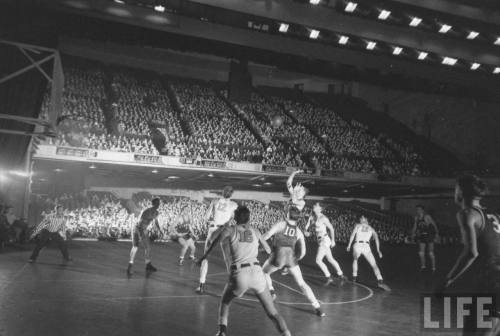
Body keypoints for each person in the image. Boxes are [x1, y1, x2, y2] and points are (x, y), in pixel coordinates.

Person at [197, 205, 291, 336]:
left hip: (240, 274)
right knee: (273, 312)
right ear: (248, 218)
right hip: (257, 272)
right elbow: (268, 250)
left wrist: (203, 257)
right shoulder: (256, 231)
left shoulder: (229, 230)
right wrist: (255, 250)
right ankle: (286, 334)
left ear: (235, 218)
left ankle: (222, 332)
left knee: (225, 302)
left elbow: (212, 243)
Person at [438, 175, 500, 335]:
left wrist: (447, 280)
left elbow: (471, 253)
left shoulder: (467, 214)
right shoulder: (493, 215)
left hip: (491, 282)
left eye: (455, 188)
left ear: (461, 192)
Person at [262, 206, 326, 317]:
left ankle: (272, 291)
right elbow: (303, 253)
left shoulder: (280, 224)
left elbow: (266, 236)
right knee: (302, 283)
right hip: (291, 258)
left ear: (287, 215)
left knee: (264, 272)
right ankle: (318, 307)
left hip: (277, 256)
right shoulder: (298, 231)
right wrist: (292, 262)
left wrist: (258, 240)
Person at [196, 186, 238, 294]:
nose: (227, 192)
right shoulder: (232, 204)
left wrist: (210, 221)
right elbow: (234, 218)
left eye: (228, 191)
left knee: (215, 256)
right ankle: (202, 283)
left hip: (219, 230)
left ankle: (202, 284)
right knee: (222, 258)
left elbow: (206, 216)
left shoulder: (219, 202)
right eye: (227, 190)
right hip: (221, 230)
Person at [304, 202, 346, 285]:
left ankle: (328, 277)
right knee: (330, 259)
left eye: (316, 205)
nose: (314, 206)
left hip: (324, 240)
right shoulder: (312, 217)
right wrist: (306, 232)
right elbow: (306, 227)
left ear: (320, 209)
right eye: (314, 205)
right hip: (320, 240)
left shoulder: (324, 218)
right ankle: (341, 275)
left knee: (318, 260)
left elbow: (331, 229)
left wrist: (333, 240)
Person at [346, 216, 390, 291]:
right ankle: (354, 277)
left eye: (363, 218)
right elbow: (353, 235)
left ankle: (380, 280)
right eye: (361, 218)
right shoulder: (360, 226)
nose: (361, 219)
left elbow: (376, 238)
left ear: (366, 220)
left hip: (364, 246)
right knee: (356, 259)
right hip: (360, 245)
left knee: (373, 264)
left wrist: (378, 250)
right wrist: (349, 245)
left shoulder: (368, 228)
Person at [127, 198, 162, 275]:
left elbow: (156, 222)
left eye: (159, 203)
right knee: (135, 247)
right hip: (138, 229)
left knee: (148, 247)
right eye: (157, 203)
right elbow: (140, 222)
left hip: (142, 229)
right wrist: (142, 231)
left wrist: (160, 230)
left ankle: (148, 264)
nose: (159, 204)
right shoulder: (146, 211)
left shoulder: (156, 212)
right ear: (154, 204)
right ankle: (130, 265)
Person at [411, 205, 439, 271]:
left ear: (422, 210)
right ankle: (423, 266)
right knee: (421, 253)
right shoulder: (416, 218)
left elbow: (434, 224)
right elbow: (415, 227)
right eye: (417, 209)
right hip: (422, 236)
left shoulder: (427, 216)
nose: (418, 211)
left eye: (419, 209)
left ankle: (433, 267)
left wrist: (437, 233)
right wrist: (412, 234)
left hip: (429, 235)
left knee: (431, 253)